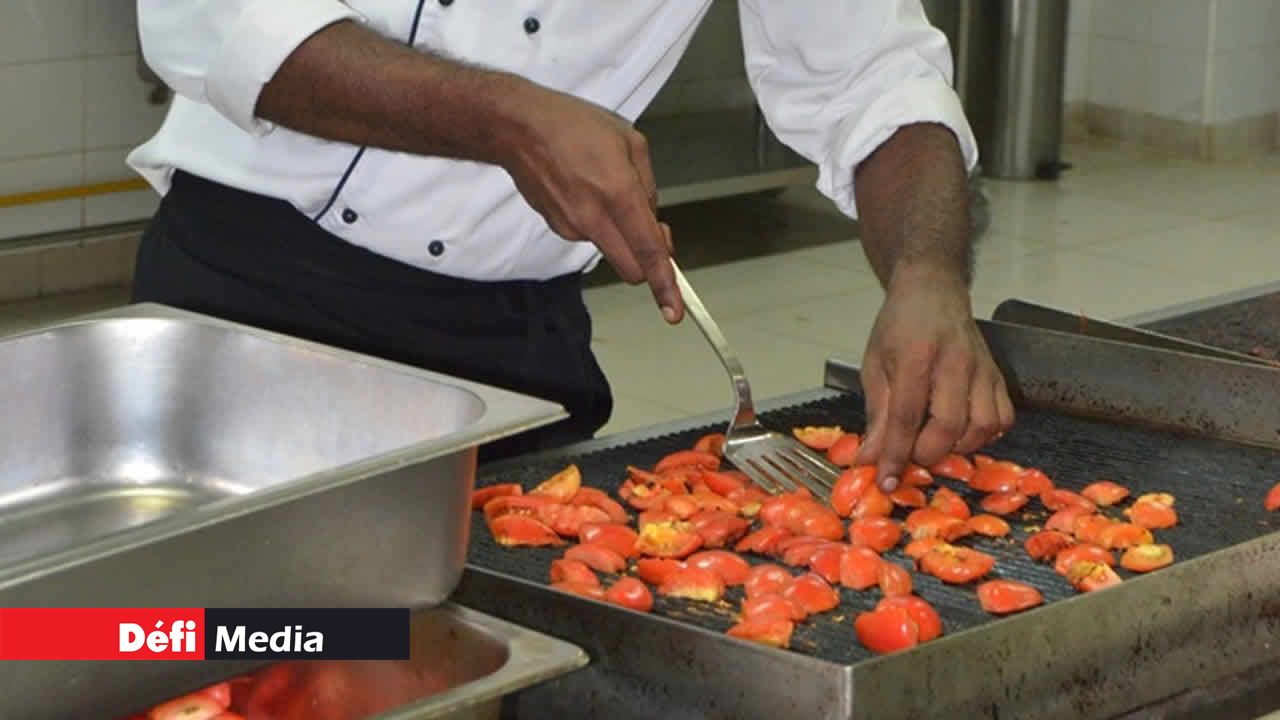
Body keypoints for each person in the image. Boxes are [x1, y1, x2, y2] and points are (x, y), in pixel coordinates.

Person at [129, 0, 1014, 490]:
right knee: (206, 656)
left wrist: (927, 273)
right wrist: (508, 119)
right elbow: (211, 18)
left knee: (466, 671)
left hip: (509, 360)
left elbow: (872, 74)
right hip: (252, 306)